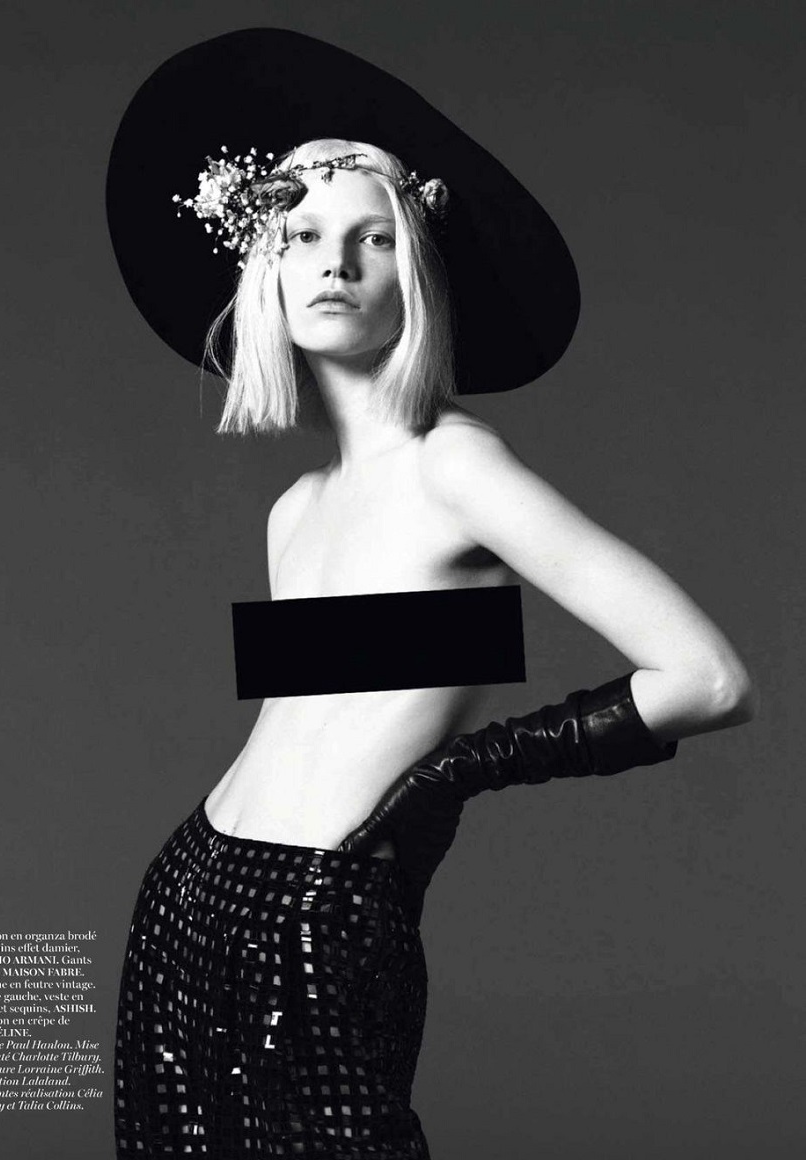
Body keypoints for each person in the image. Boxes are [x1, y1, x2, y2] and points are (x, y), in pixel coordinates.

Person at [107, 33, 755, 1160]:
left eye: (371, 239)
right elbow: (332, 717)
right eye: (303, 237)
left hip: (322, 908)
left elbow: (707, 679)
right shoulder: (295, 511)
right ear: (266, 269)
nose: (334, 264)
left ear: (414, 273)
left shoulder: (456, 465)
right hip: (188, 892)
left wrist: (460, 773)